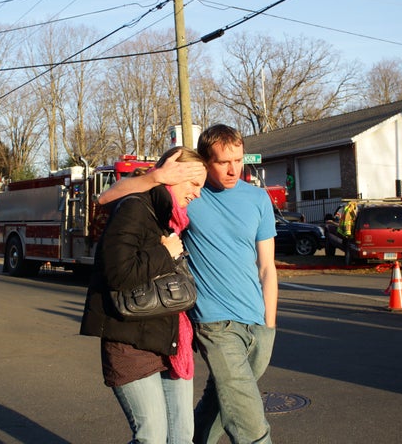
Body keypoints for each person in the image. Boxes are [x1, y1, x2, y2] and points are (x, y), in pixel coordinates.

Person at [98, 125, 279, 444]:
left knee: (216, 406)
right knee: (248, 417)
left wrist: (270, 322)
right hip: (213, 322)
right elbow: (108, 198)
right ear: (206, 163)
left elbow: (267, 266)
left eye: (238, 160)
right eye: (224, 162)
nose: (233, 169)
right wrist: (156, 176)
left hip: (253, 321)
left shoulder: (257, 198)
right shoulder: (187, 193)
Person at [80, 146, 207, 444]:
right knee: (152, 437)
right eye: (194, 184)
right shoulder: (136, 207)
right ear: (173, 176)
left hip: (168, 340)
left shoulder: (169, 218)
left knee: (181, 438)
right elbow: (118, 274)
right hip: (130, 342)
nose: (198, 194)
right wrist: (165, 252)